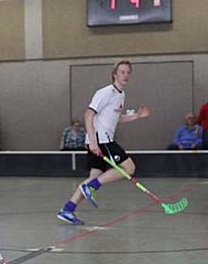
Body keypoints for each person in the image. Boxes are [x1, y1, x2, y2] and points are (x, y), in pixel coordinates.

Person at [57, 60, 152, 225]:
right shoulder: (106, 92)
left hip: (99, 141)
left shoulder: (121, 95)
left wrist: (137, 116)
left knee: (94, 177)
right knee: (129, 168)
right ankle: (90, 187)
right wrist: (93, 142)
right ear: (114, 75)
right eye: (122, 72)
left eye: (128, 72)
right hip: (102, 141)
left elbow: (117, 118)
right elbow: (88, 114)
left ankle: (68, 209)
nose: (126, 75)